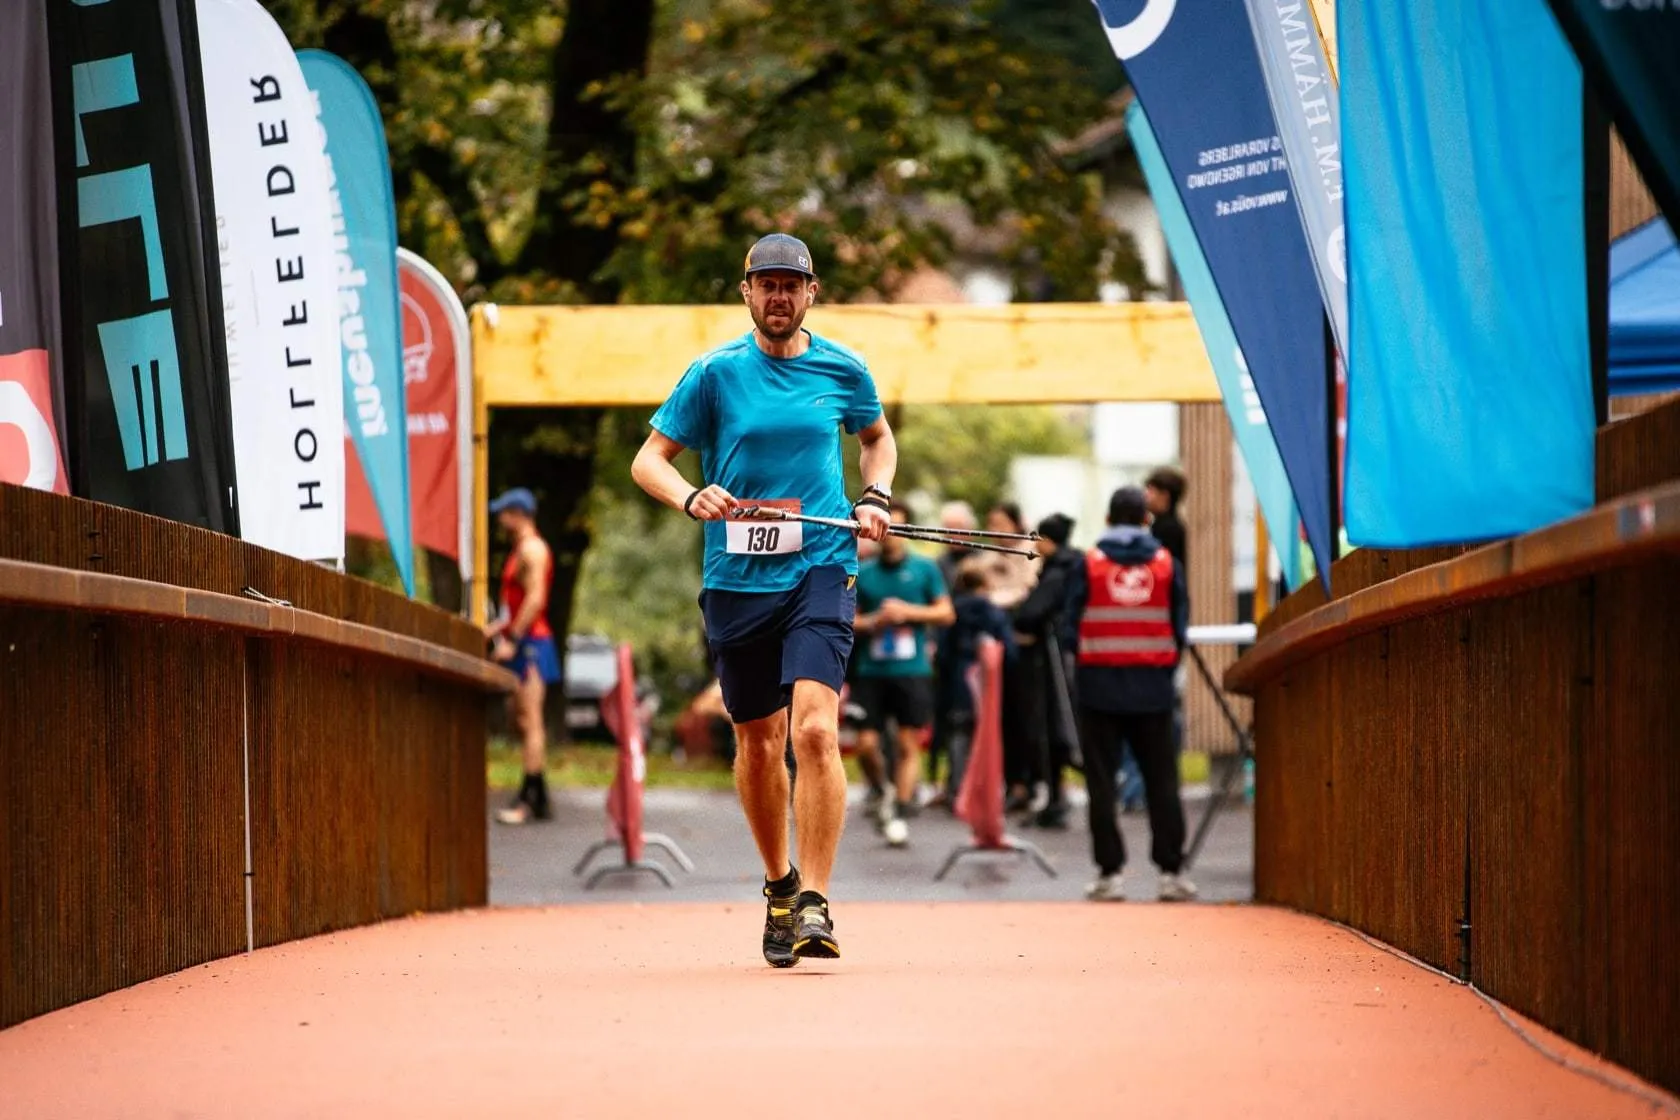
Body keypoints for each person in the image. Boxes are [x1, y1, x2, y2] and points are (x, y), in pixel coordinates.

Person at [630, 232, 894, 966]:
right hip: (737, 579)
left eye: (791, 285)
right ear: (746, 291)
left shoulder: (844, 368)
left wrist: (875, 495)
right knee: (757, 741)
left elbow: (877, 439)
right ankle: (779, 883)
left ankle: (815, 900)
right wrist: (691, 496)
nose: (779, 296)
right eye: (766, 284)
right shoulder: (714, 374)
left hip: (822, 564)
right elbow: (648, 460)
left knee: (814, 731)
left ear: (812, 293)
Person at [1063, 485, 1197, 903]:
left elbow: (1068, 627)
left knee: (1102, 784)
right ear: (1146, 520)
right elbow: (1179, 625)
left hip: (1098, 688)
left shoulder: (1089, 563)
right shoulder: (1166, 563)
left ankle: (1109, 874)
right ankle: (1171, 872)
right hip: (1153, 689)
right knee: (1162, 782)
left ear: (1107, 520)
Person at [852, 502, 955, 847]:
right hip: (871, 670)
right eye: (885, 528)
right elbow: (846, 617)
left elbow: (946, 613)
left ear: (908, 531)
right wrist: (874, 621)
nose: (890, 535)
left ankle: (898, 811)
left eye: (897, 528)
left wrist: (908, 612)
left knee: (907, 743)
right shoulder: (863, 570)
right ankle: (882, 790)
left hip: (912, 670)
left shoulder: (924, 569)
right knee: (866, 744)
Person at [484, 487, 561, 826]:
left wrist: (513, 639)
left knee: (530, 721)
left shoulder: (533, 550)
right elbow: (515, 603)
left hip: (532, 644)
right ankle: (538, 795)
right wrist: (495, 629)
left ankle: (530, 800)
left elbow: (535, 599)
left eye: (504, 513)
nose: (500, 520)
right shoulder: (521, 550)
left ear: (518, 514)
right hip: (522, 639)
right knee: (521, 719)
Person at [1011, 512, 1081, 829]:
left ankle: (1056, 800)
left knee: (1053, 728)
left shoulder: (1057, 572)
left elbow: (1030, 614)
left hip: (1052, 659)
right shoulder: (1077, 565)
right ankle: (1056, 796)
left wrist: (1021, 611)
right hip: (1072, 655)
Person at [935, 558, 1016, 802]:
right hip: (988, 682)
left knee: (959, 734)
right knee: (988, 734)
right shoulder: (994, 612)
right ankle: (988, 789)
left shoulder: (953, 611)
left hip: (958, 680)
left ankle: (958, 789)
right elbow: (1009, 650)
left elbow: (942, 651)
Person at [985, 502, 1040, 812]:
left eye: (1001, 523)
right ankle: (1013, 782)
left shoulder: (1030, 553)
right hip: (996, 649)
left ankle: (1031, 781)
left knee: (1027, 717)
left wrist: (995, 598)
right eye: (991, 523)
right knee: (1003, 718)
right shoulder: (989, 555)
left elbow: (1025, 591)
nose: (995, 530)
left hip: (1028, 648)